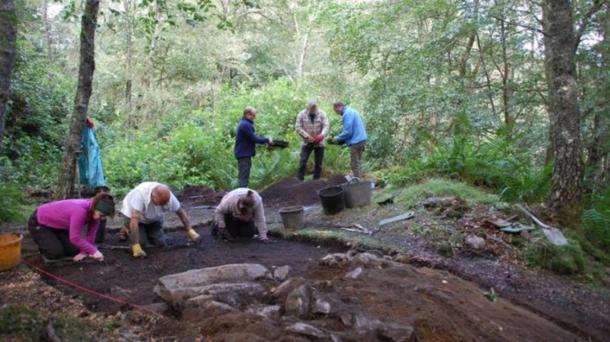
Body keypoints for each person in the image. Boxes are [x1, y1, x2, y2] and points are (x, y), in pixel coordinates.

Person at [119, 182, 200, 258]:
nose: (164, 205)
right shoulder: (139, 196)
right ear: (153, 196)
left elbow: (181, 213)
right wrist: (135, 245)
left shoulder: (169, 197)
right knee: (142, 243)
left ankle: (146, 231)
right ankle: (125, 229)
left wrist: (190, 230)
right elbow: (134, 221)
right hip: (134, 219)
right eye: (161, 203)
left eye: (165, 203)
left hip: (154, 218)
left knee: (160, 243)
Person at [28, 192, 115, 262]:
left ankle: (54, 238)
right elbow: (74, 238)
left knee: (74, 250)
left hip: (58, 225)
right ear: (95, 208)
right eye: (101, 215)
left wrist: (85, 252)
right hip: (40, 221)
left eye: (104, 216)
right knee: (55, 253)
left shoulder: (95, 213)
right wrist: (94, 251)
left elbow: (91, 234)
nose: (102, 218)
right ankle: (43, 246)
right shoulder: (80, 211)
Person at [235, 106, 273, 187]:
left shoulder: (244, 123)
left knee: (244, 176)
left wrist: (264, 139)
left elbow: (252, 137)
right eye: (253, 115)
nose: (254, 118)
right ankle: (242, 195)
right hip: (243, 154)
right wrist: (267, 140)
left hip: (243, 154)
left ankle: (242, 193)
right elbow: (254, 138)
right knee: (244, 177)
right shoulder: (245, 125)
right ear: (248, 114)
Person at [330, 101, 368, 178]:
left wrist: (337, 138)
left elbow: (348, 132)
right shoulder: (352, 110)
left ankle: (358, 184)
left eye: (336, 111)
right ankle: (360, 180)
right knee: (358, 162)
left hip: (356, 141)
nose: (337, 113)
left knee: (354, 164)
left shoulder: (347, 114)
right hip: (362, 139)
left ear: (339, 107)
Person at [294, 100, 330, 181]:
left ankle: (316, 181)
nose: (313, 110)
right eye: (311, 108)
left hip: (319, 142)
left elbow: (326, 126)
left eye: (315, 108)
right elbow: (297, 127)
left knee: (318, 163)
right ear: (308, 107)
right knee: (302, 161)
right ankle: (300, 180)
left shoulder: (322, 114)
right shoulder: (301, 114)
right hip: (306, 142)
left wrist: (322, 135)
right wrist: (306, 136)